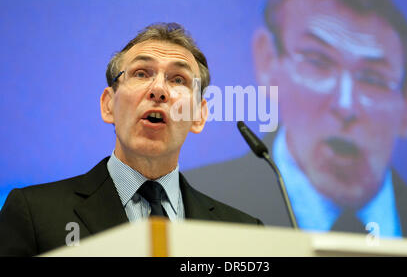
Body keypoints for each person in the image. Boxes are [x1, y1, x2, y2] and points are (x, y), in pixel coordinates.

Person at [185, 0, 407, 240]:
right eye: (317, 62)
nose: (345, 106)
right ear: (268, 62)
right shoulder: (192, 207)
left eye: (373, 79)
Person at [0, 23, 262, 256]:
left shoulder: (244, 234)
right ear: (108, 105)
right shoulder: (34, 214)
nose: (158, 90)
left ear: (198, 116)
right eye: (141, 74)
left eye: (179, 79)